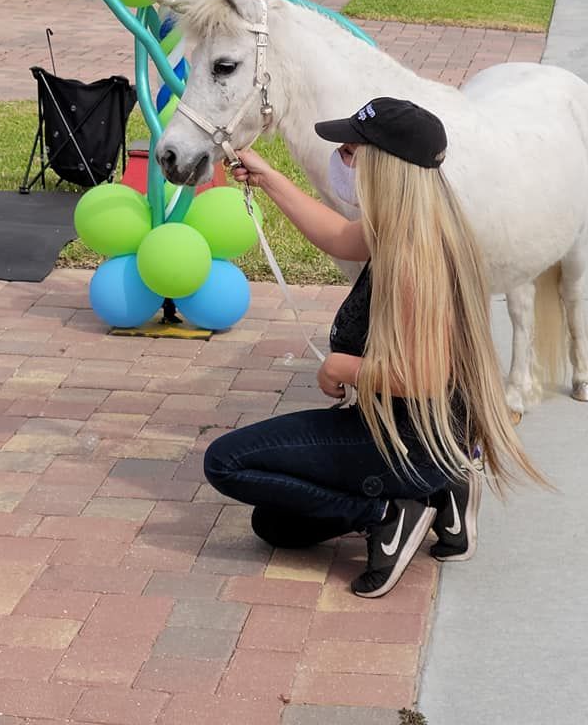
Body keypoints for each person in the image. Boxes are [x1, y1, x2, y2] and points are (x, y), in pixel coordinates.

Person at [204, 97, 546, 599]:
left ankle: (388, 512)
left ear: (383, 166)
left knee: (225, 464)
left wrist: (343, 365)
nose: (342, 162)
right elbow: (340, 237)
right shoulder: (418, 219)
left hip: (403, 437)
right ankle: (445, 485)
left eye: (349, 152)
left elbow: (424, 374)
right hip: (430, 433)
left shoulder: (414, 255)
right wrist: (268, 177)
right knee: (276, 526)